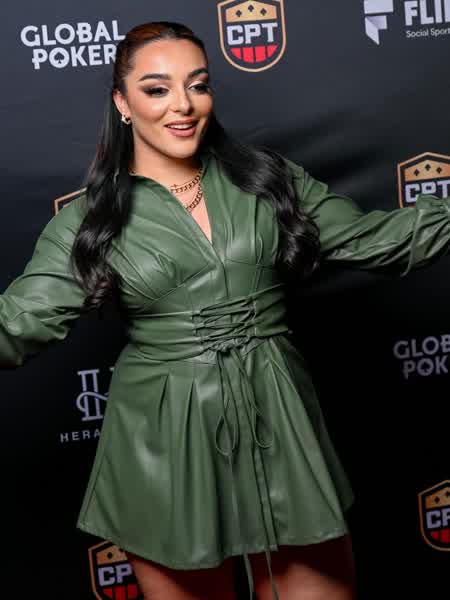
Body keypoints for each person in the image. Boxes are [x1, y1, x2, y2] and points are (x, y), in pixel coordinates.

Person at [1, 20, 449, 600]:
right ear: (123, 103)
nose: (182, 105)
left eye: (198, 84)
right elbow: (16, 325)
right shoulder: (91, 220)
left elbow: (379, 242)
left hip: (279, 421)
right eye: (157, 89)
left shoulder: (267, 179)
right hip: (164, 441)